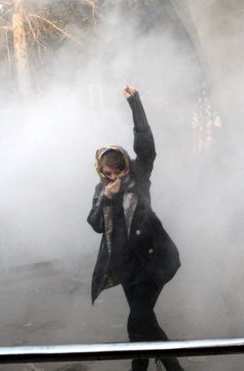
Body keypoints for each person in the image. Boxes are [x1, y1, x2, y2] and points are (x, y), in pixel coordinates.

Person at [87, 86, 184, 371]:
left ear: (127, 166)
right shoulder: (101, 189)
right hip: (125, 266)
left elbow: (146, 145)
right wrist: (106, 198)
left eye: (119, 171)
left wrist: (135, 102)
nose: (114, 177)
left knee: (137, 323)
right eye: (109, 173)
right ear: (102, 171)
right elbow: (94, 225)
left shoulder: (139, 174)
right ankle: (174, 368)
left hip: (153, 263)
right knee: (146, 324)